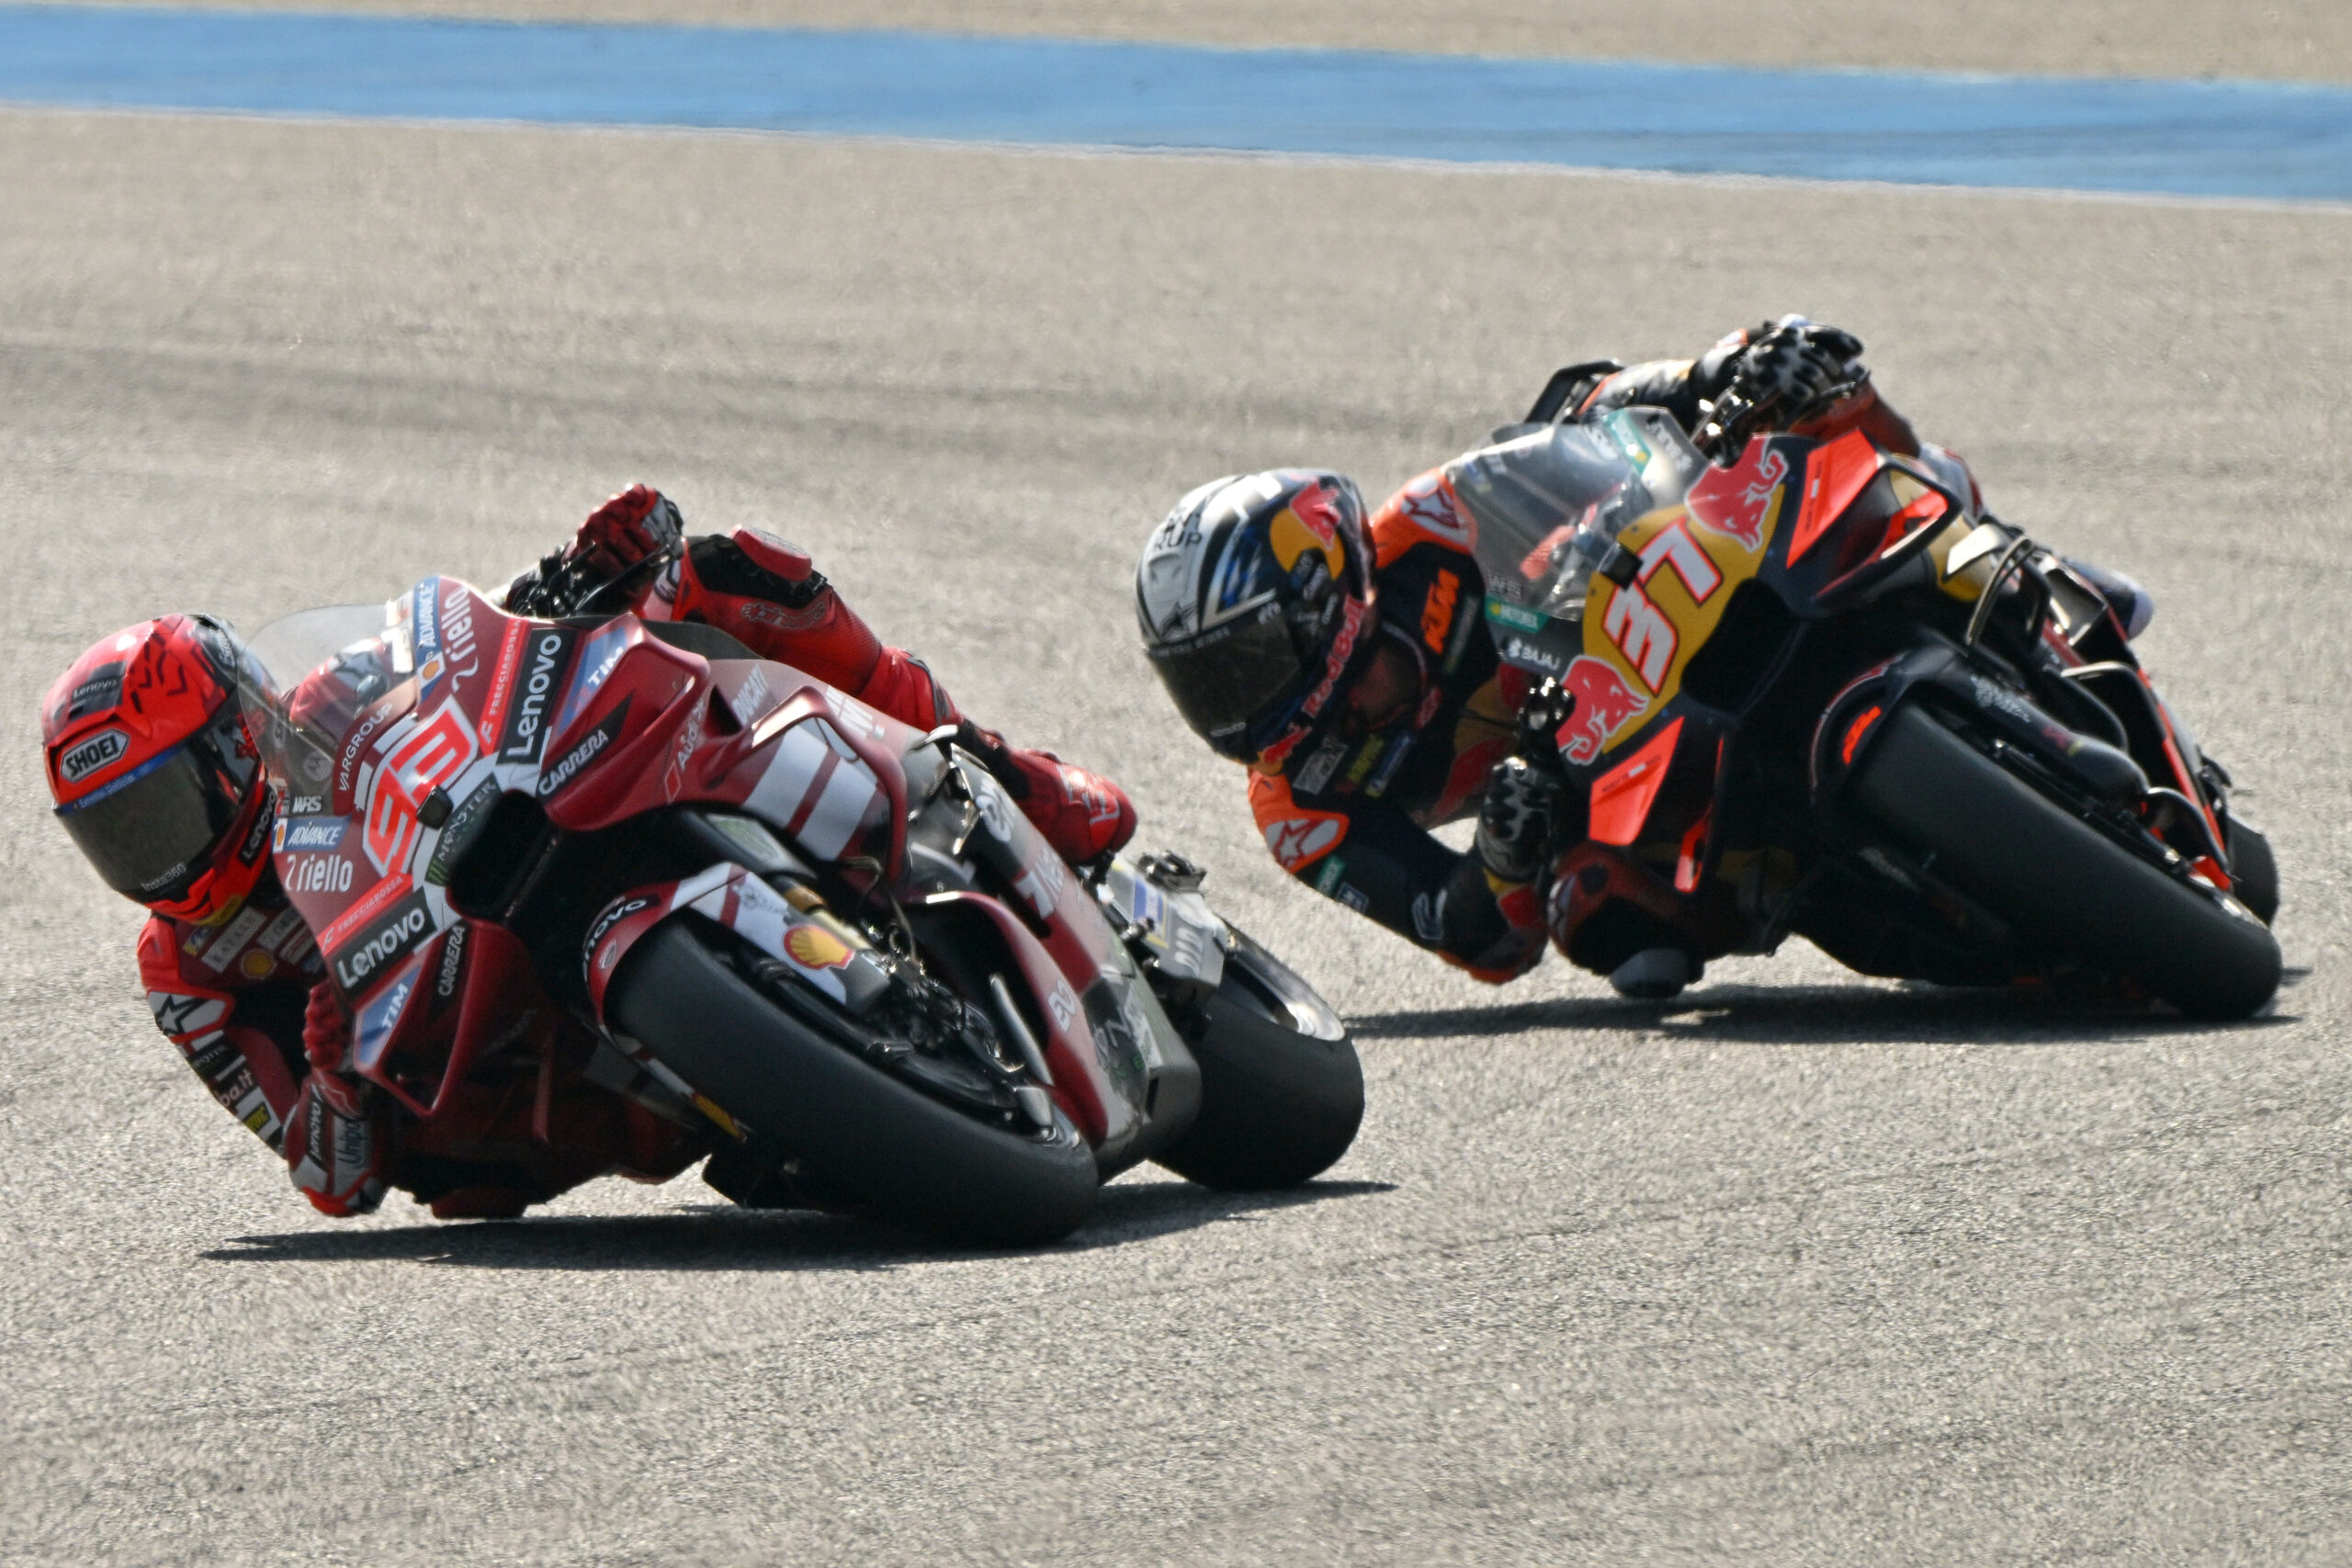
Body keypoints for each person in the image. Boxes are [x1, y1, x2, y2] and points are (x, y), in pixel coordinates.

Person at [41, 488, 1137, 1220]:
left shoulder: (330, 700)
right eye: (118, 836)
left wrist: (579, 573)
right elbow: (327, 1178)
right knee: (457, 1183)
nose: (159, 858)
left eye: (161, 809)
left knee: (725, 572)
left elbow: (472, 648)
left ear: (237, 735)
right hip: (477, 1067)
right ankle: (765, 1096)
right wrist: (332, 1079)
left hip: (514, 861)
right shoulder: (186, 974)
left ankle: (995, 766)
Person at [1134, 319, 2124, 995]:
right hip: (1603, 770)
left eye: (1240, 662)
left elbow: (1589, 420)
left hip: (1659, 619)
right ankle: (1914, 910)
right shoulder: (1297, 806)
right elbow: (1469, 934)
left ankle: (2023, 579)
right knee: (1600, 916)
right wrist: (1504, 853)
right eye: (1203, 683)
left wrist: (1723, 372)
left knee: (1824, 414)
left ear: (1313, 591)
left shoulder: (1430, 521)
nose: (1232, 703)